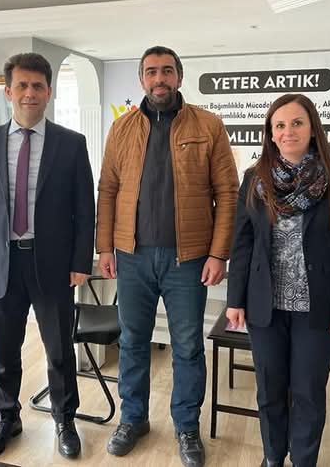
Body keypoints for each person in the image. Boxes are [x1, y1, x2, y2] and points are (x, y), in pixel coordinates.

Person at [96, 46, 238, 467]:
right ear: (142, 79)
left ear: (179, 76)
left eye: (167, 71)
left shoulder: (208, 126)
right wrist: (104, 246)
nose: (159, 79)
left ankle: (187, 426)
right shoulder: (122, 128)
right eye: (151, 72)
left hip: (188, 259)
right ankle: (133, 419)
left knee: (188, 346)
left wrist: (219, 253)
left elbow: (227, 193)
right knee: (132, 341)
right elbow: (108, 191)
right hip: (132, 256)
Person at [0, 52, 95, 460]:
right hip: (1, 265)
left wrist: (80, 262)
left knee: (59, 350)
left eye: (38, 86)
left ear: (49, 92)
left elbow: (84, 209)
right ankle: (7, 419)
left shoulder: (71, 144)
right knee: (3, 351)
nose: (29, 93)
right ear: (8, 92)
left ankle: (64, 419)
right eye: (22, 85)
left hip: (52, 264)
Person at [226, 93, 330, 467]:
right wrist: (234, 300)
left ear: (313, 128)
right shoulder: (254, 179)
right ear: (270, 134)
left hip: (316, 308)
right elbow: (242, 243)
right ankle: (273, 456)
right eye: (280, 125)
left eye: (297, 123)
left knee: (308, 392)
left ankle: (303, 460)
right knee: (269, 390)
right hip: (264, 306)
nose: (289, 131)